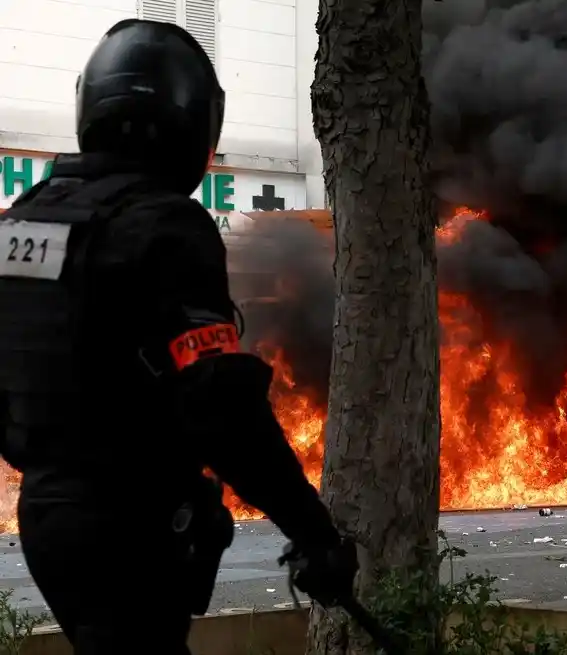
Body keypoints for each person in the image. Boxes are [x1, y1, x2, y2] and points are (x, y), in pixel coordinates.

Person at [0, 19, 356, 654]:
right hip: (131, 527)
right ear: (192, 123)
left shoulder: (24, 222)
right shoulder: (164, 225)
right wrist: (313, 532)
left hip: (46, 518)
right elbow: (221, 406)